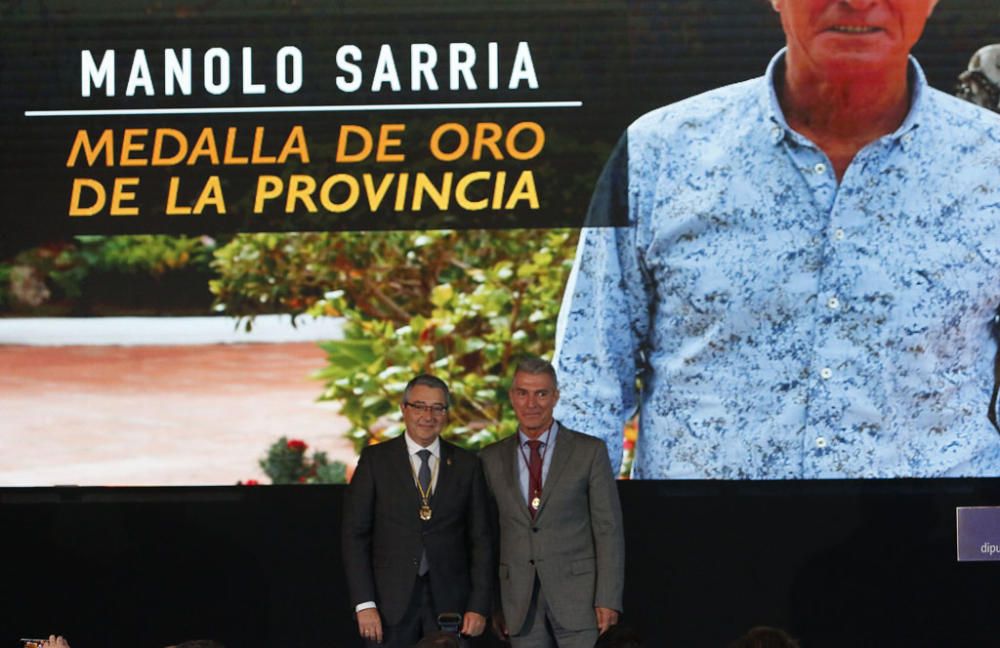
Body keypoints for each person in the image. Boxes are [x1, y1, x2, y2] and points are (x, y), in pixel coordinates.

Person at [553, 0, 1000, 479]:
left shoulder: (989, 162)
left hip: (929, 545)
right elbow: (588, 380)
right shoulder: (659, 152)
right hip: (699, 545)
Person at [480, 357, 625, 648]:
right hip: (518, 602)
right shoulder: (490, 458)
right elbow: (486, 537)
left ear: (556, 396)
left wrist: (608, 598)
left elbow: (608, 530)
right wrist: (492, 602)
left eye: (541, 393)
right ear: (512, 396)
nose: (531, 403)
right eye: (523, 392)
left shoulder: (589, 452)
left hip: (580, 599)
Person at [341, 375, 492, 647]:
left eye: (437, 407)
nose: (428, 415)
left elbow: (481, 540)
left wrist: (479, 605)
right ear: (404, 408)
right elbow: (355, 536)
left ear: (446, 413)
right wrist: (364, 604)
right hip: (388, 606)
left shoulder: (466, 464)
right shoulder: (376, 460)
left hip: (450, 606)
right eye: (419, 406)